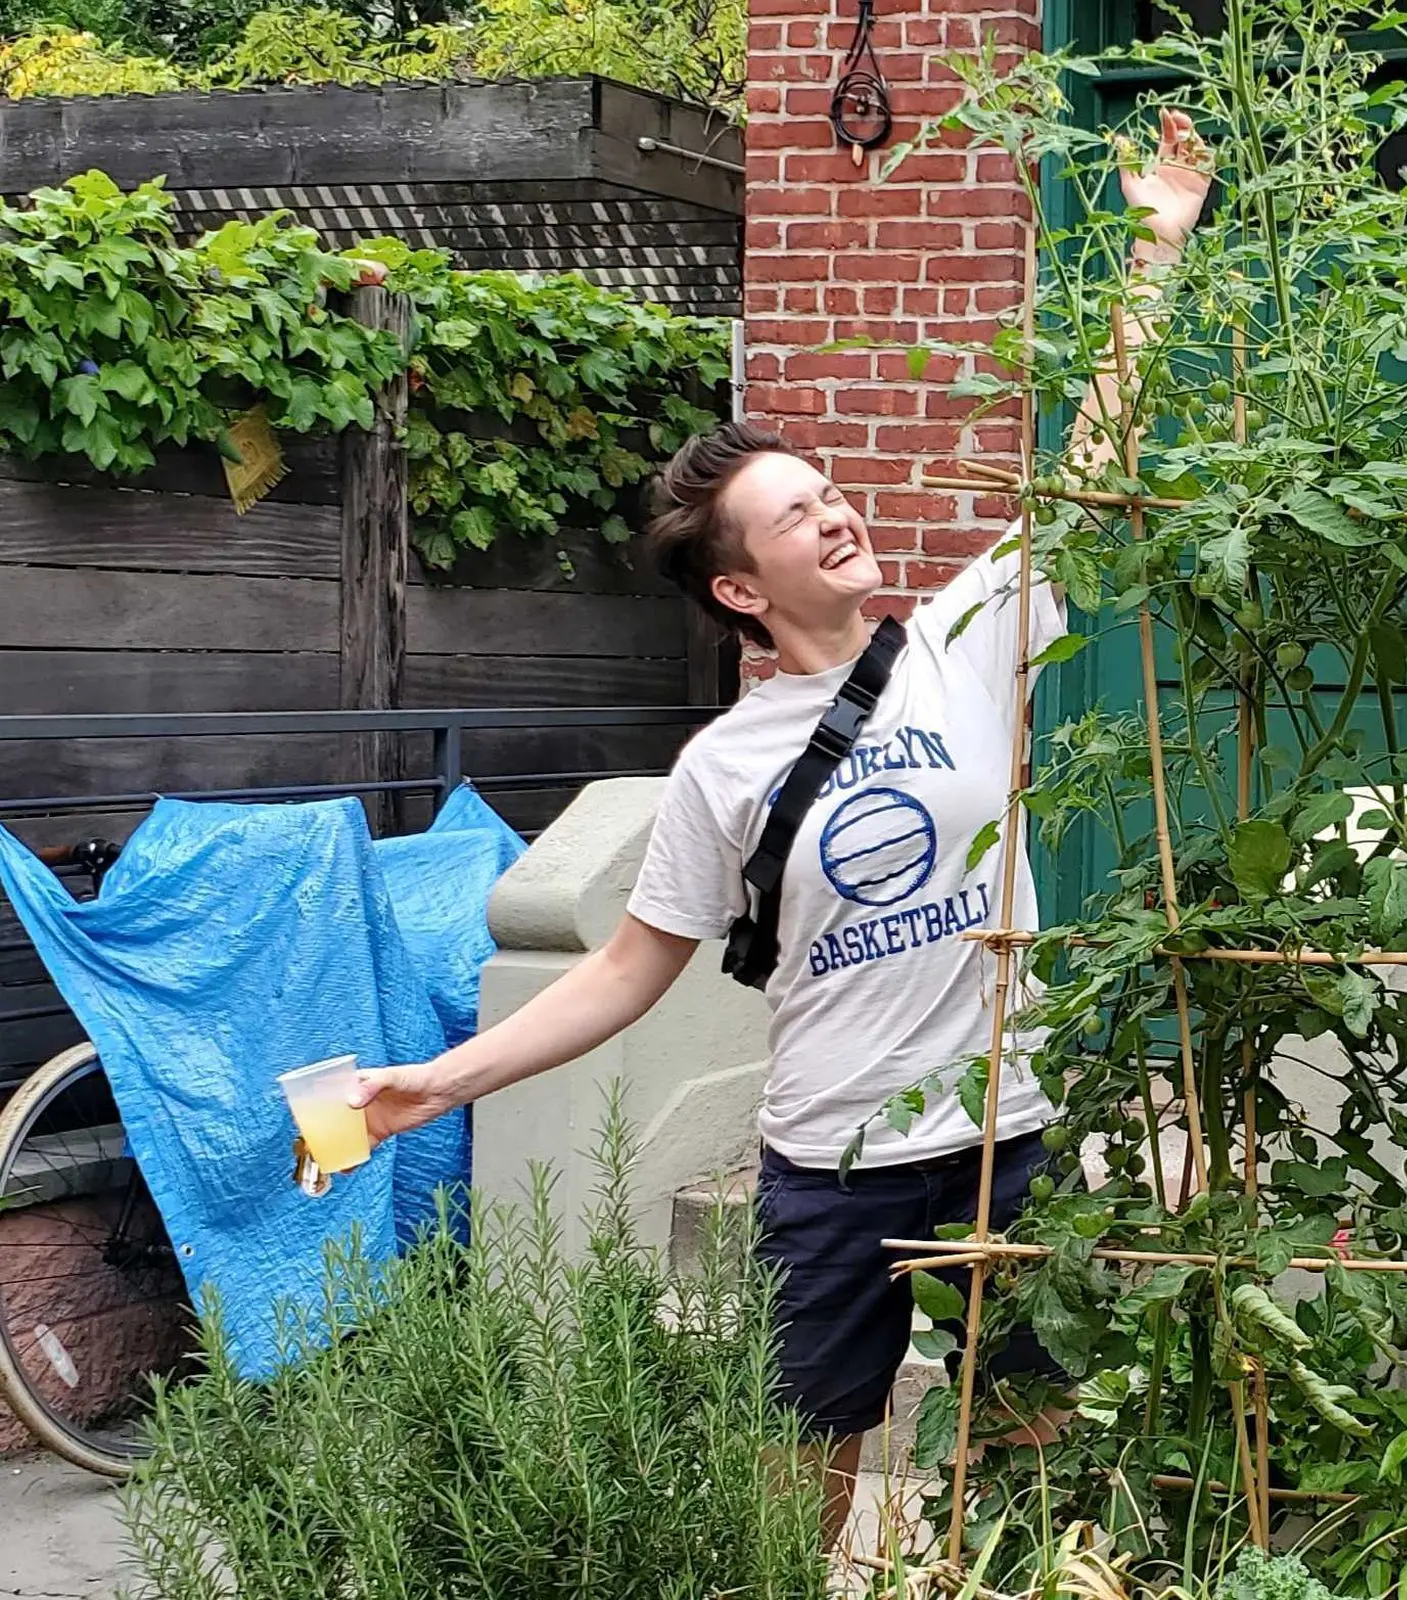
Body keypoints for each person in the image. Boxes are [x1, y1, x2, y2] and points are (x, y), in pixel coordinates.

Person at [349, 108, 1214, 1534]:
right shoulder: (720, 768)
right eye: (794, 517)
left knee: (1036, 1443)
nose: (835, 518)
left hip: (1005, 1133)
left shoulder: (965, 638)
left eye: (829, 494)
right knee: (799, 1463)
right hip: (833, 1159)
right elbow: (629, 970)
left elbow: (1086, 459)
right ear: (741, 590)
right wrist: (440, 1083)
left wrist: (1154, 252)